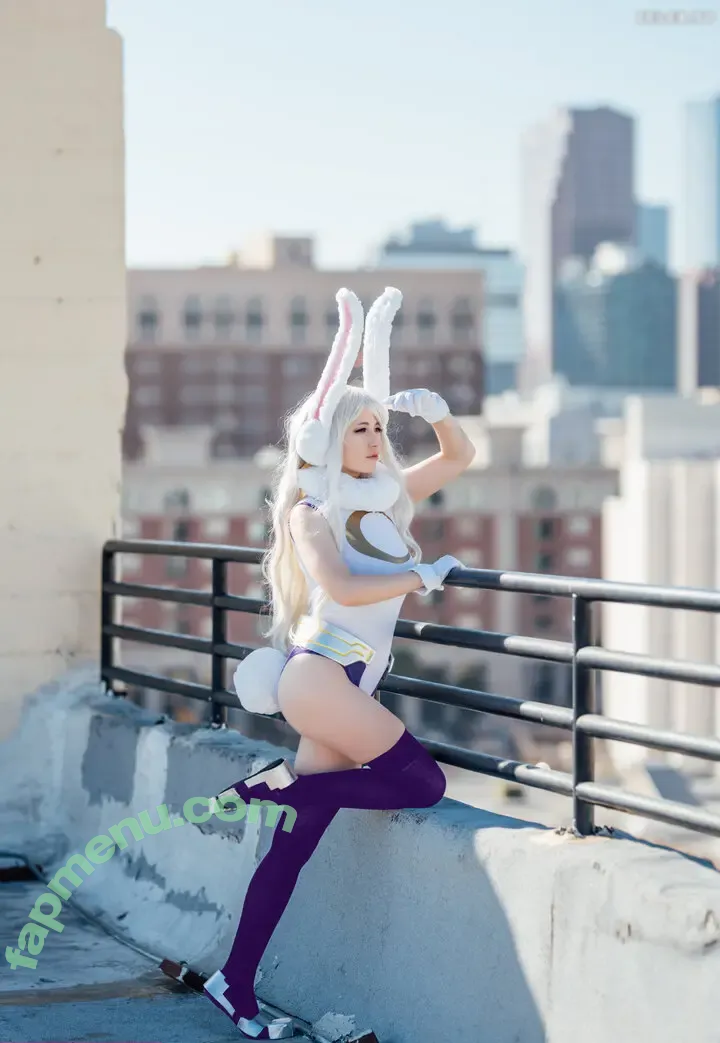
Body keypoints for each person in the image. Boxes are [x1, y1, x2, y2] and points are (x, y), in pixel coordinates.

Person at [202, 287, 476, 1039]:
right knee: (422, 783)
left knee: (294, 846)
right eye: (360, 428)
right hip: (321, 675)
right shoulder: (311, 511)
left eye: (379, 426)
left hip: (347, 684)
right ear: (328, 442)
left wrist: (437, 412)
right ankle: (277, 787)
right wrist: (420, 576)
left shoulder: (385, 500)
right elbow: (345, 588)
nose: (375, 438)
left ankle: (234, 979)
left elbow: (460, 457)